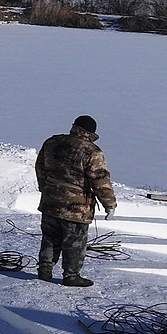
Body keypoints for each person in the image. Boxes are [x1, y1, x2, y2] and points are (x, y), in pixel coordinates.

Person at [35, 115, 117, 287]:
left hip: (50, 201)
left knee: (50, 237)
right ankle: (71, 275)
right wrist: (109, 204)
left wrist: (46, 188)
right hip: (76, 207)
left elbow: (40, 167)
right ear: (91, 133)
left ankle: (44, 269)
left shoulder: (52, 142)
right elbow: (100, 181)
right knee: (75, 241)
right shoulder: (92, 152)